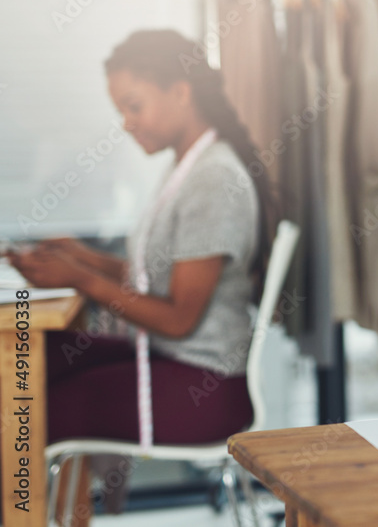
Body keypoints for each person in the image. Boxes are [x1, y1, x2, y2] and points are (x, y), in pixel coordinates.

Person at [9, 29, 278, 446]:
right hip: (173, 361)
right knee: (38, 356)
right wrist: (83, 258)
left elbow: (178, 318)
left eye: (134, 106)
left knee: (27, 411)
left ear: (181, 92)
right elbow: (159, 276)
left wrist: (82, 279)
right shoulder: (188, 165)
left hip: (204, 387)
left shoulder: (212, 178)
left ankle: (30, 509)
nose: (127, 123)